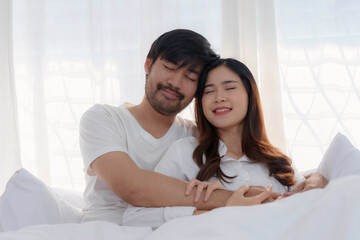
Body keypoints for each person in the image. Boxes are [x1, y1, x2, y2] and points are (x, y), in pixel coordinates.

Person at [79, 30, 277, 225]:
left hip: (171, 231)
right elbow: (133, 188)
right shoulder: (103, 119)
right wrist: (232, 200)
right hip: (106, 229)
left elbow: (252, 160)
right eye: (170, 68)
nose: (175, 83)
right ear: (148, 64)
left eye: (190, 78)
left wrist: (305, 181)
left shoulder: (197, 137)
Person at [122, 58, 328, 228]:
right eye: (209, 91)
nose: (219, 98)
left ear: (250, 95)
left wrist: (317, 179)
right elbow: (134, 217)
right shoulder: (185, 153)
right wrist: (216, 210)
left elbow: (309, 194)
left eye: (229, 88)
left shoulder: (276, 159)